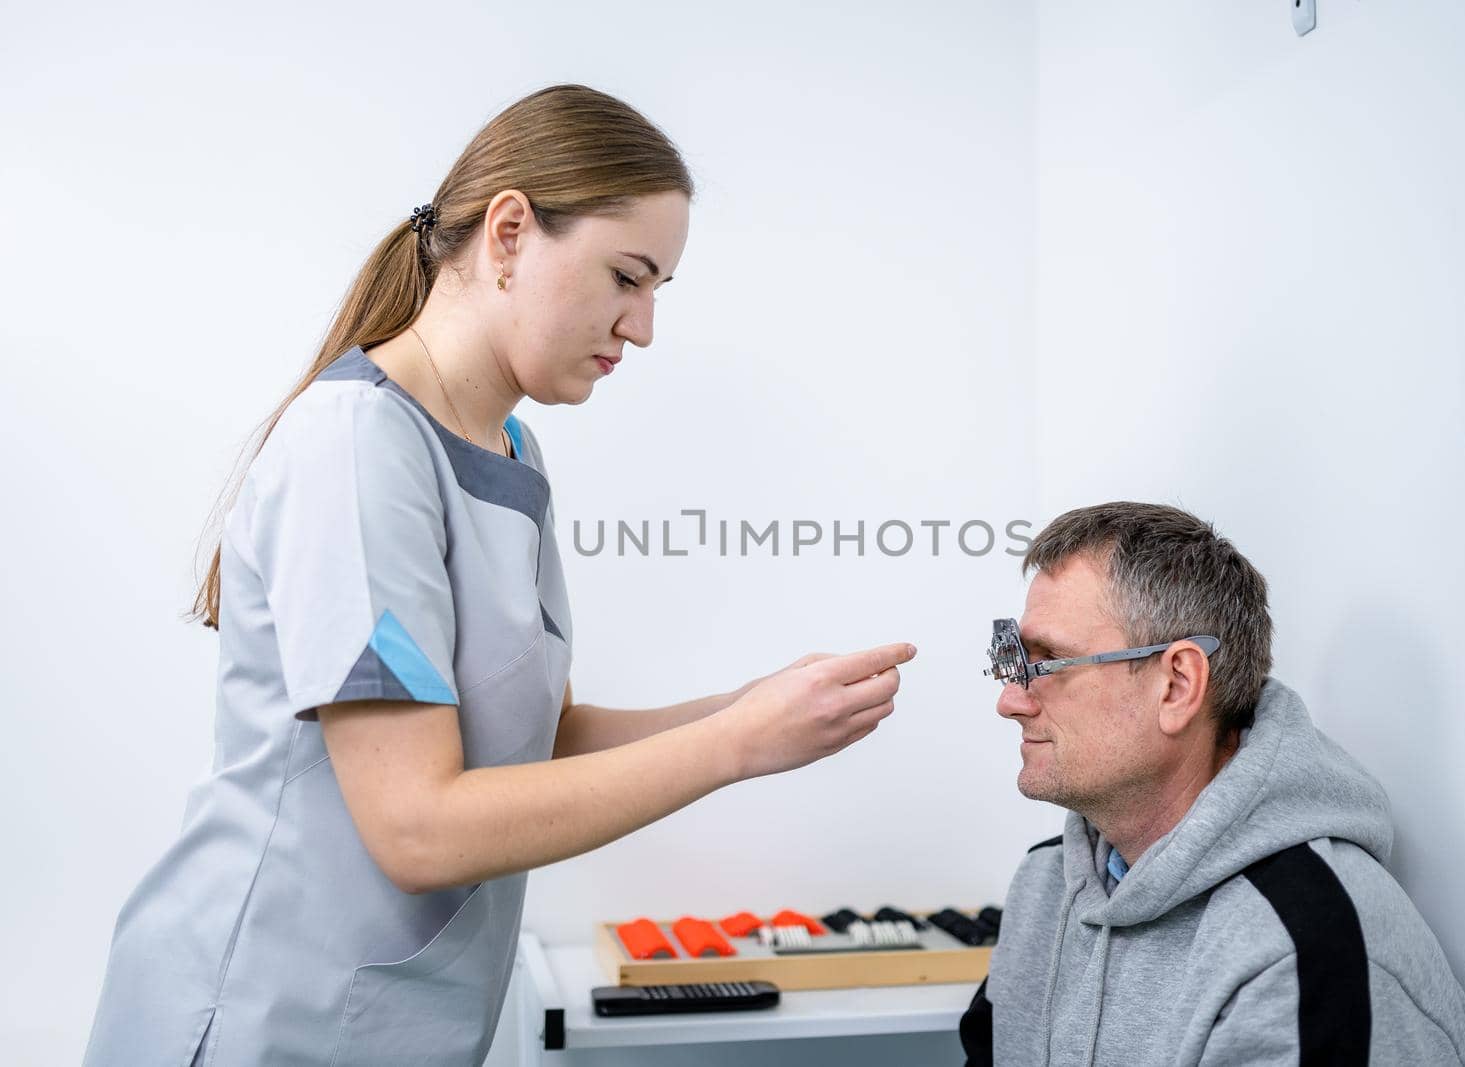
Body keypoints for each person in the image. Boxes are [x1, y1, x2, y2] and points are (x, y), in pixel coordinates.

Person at [83, 84, 915, 1066]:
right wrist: (734, 744)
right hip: (262, 1018)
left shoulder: (511, 451)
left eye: (655, 291)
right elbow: (417, 827)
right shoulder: (357, 446)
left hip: (403, 1026)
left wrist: (757, 708)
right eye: (625, 276)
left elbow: (538, 735)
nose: (641, 326)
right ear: (510, 232)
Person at [961, 502, 1465, 1066]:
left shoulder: (1303, 946)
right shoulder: (1046, 884)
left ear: (1177, 685)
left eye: (1049, 662)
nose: (1011, 700)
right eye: (1014, 661)